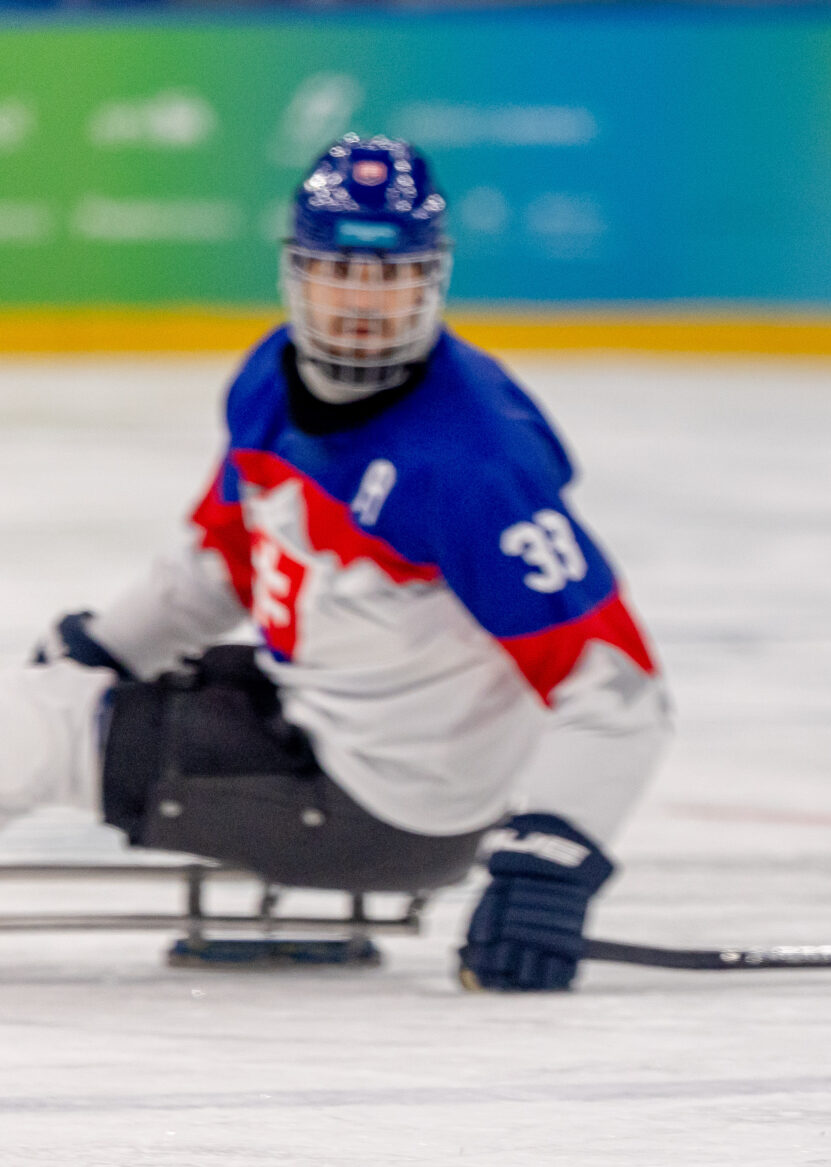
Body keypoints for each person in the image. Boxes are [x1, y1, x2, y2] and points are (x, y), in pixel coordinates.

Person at [4, 135, 669, 989]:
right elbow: (229, 557)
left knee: (37, 724)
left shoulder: (472, 466)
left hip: (384, 809)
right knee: (58, 698)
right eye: (337, 272)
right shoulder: (268, 382)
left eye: (391, 277)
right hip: (314, 722)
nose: (362, 302)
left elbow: (618, 689)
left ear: (432, 282)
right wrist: (106, 647)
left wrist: (549, 867)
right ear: (295, 273)